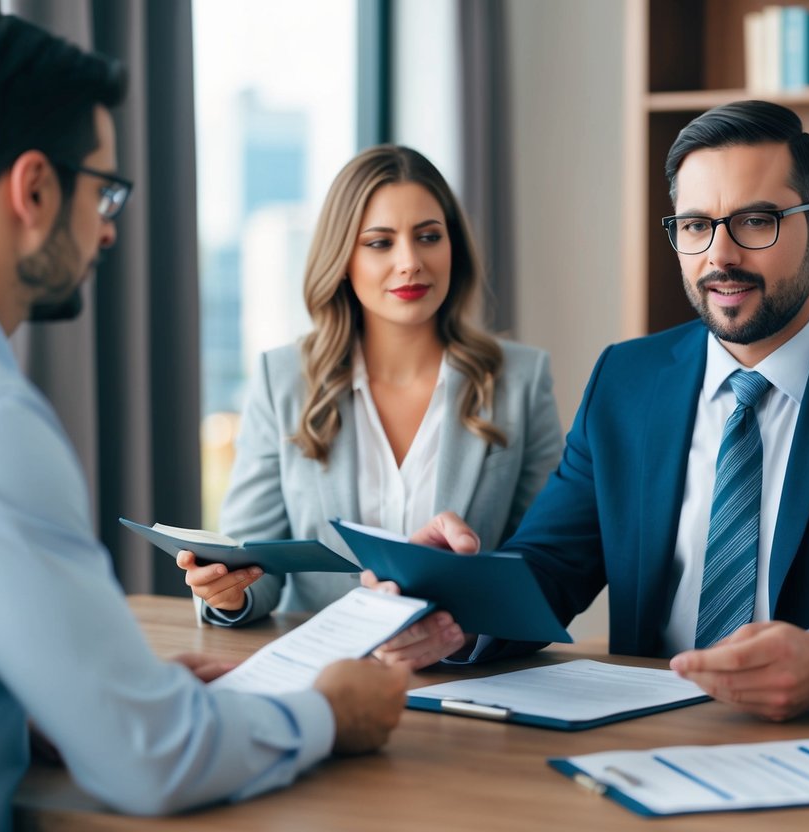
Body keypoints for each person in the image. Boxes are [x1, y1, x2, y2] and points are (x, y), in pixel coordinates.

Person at [397, 99, 809, 720]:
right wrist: (451, 597)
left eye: (755, 221)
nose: (720, 256)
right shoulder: (626, 380)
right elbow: (552, 566)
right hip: (644, 734)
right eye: (695, 226)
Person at [0, 13, 407, 830]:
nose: (108, 227)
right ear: (34, 189)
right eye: (103, 190)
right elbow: (153, 759)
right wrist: (330, 713)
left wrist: (46, 703)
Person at [177, 143, 563, 668]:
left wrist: (462, 635)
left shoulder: (520, 378)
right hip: (322, 676)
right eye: (380, 242)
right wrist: (229, 593)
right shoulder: (282, 380)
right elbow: (256, 567)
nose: (411, 262)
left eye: (429, 236)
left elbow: (547, 566)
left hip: (462, 682)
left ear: (454, 248)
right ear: (343, 259)